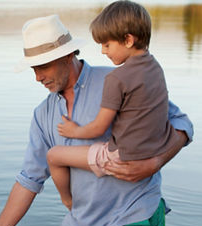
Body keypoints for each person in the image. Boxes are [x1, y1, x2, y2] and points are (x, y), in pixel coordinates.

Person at [0, 13, 193, 226]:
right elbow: (30, 179)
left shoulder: (119, 80)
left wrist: (155, 162)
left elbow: (182, 124)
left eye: (43, 66)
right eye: (33, 68)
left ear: (67, 56)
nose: (37, 77)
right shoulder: (43, 116)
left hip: (133, 219)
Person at [47, 1, 181, 211]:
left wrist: (75, 130)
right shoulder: (155, 67)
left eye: (107, 44)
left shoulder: (117, 78)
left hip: (121, 157)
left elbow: (99, 127)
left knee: (54, 155)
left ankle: (69, 203)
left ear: (128, 40)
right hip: (154, 148)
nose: (102, 51)